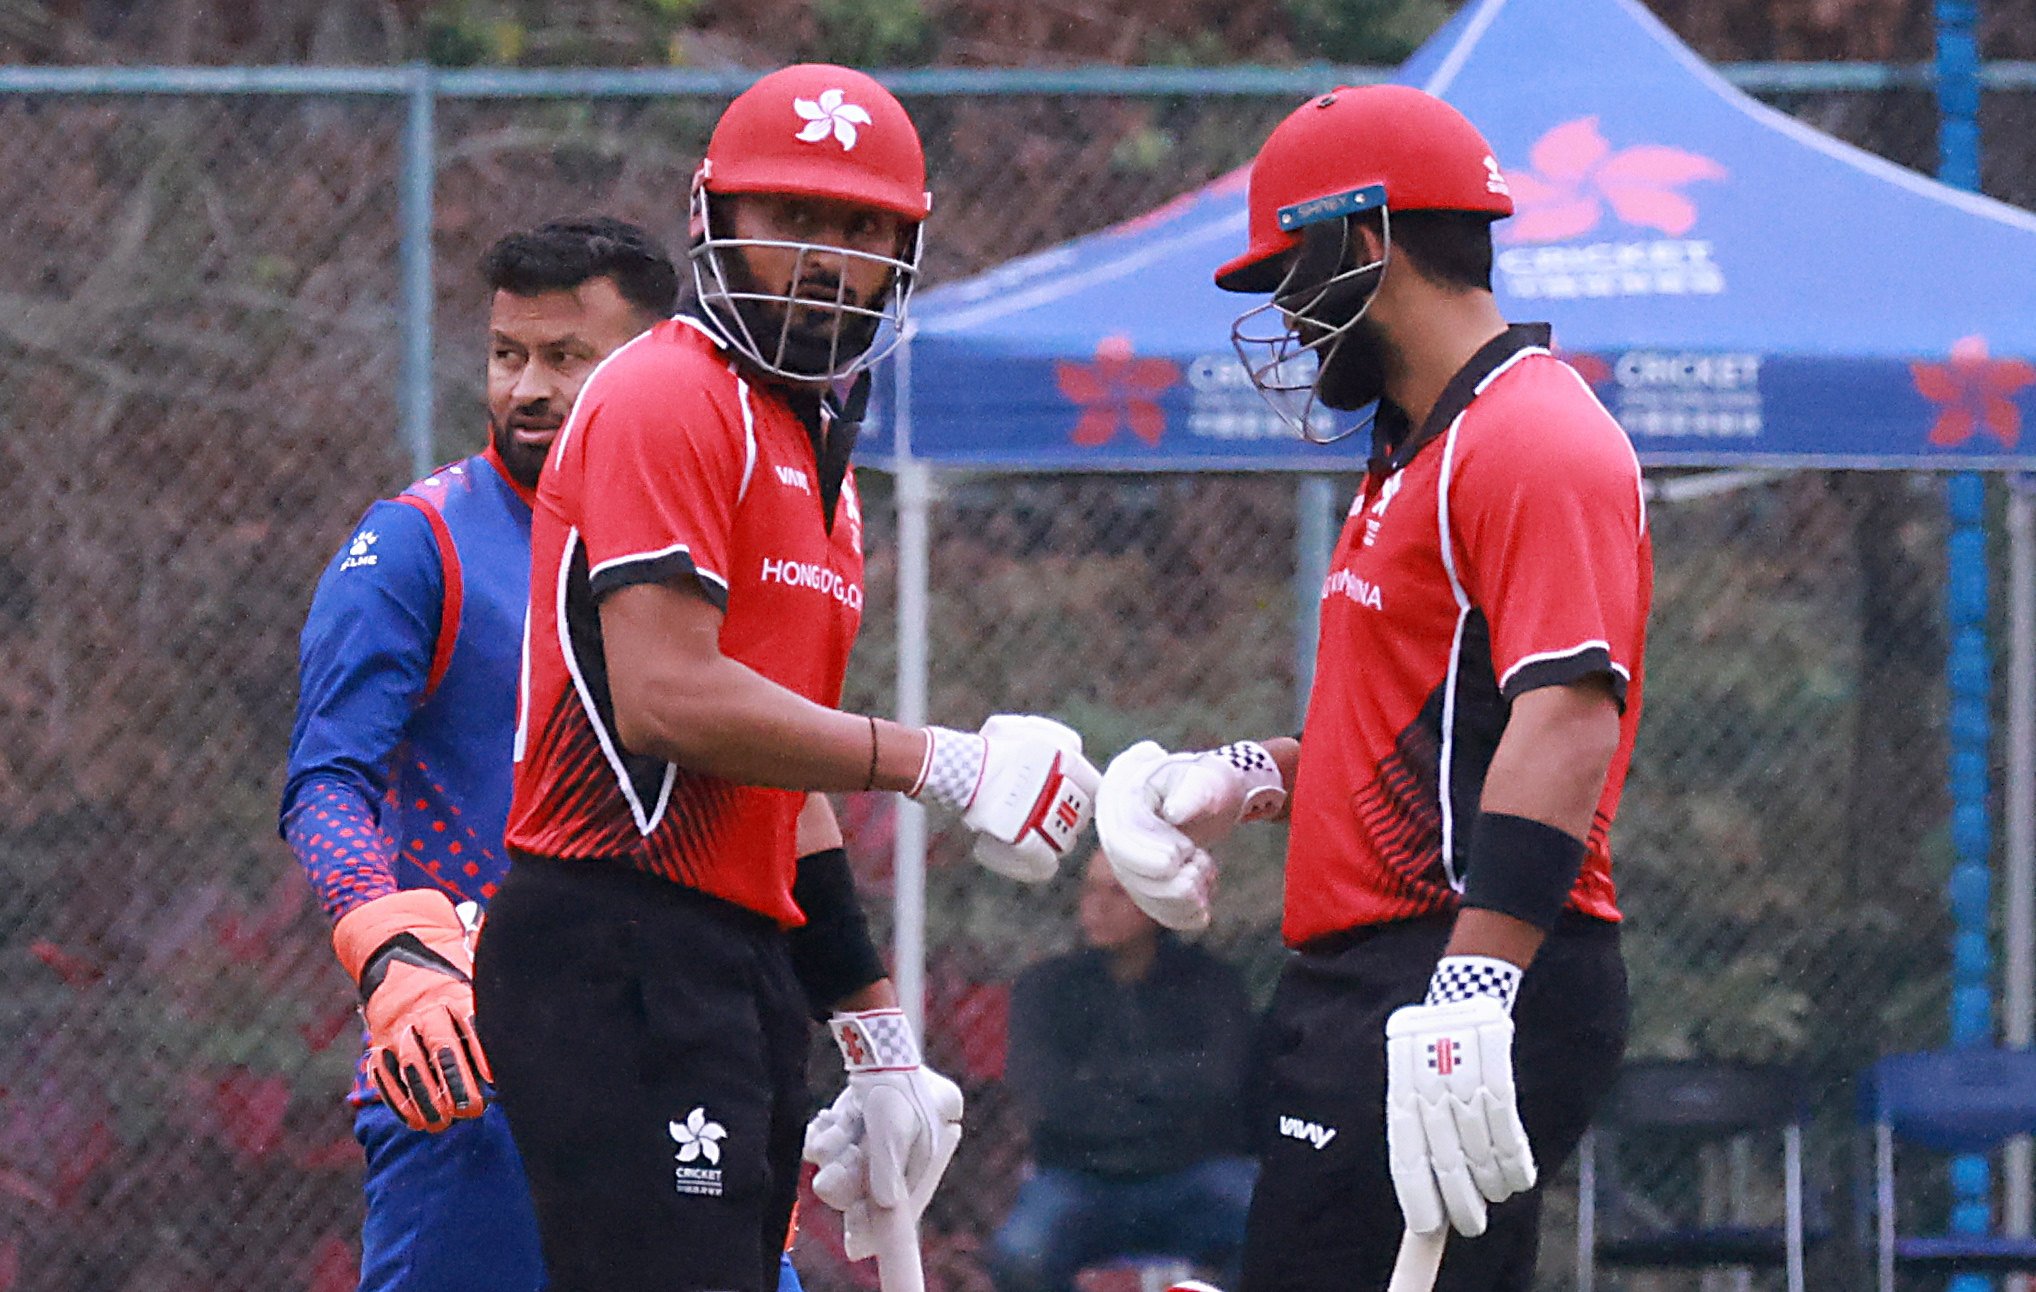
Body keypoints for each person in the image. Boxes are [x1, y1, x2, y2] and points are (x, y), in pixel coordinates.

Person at [472, 63, 1102, 1292]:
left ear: (903, 250)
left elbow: (777, 766)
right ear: (713, 221)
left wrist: (867, 1022)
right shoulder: (666, 390)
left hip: (726, 950)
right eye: (791, 218)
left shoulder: (810, 441)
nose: (824, 257)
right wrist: (940, 759)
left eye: (859, 228)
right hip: (615, 936)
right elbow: (670, 699)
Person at [1095, 85, 1650, 1292]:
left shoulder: (1531, 435)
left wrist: (1476, 981)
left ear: (1360, 241)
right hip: (1383, 976)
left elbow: (1566, 715)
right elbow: (1425, 738)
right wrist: (1237, 775)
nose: (1288, 314)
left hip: (1452, 963)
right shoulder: (1416, 446)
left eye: (1289, 273)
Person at [280, 217, 680, 1291]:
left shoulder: (705, 551)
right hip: (475, 1075)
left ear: (654, 364)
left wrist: (849, 1022)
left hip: (684, 1074)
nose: (527, 388)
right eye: (509, 355)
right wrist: (397, 959)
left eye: (565, 357)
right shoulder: (419, 542)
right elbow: (325, 783)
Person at [989, 849, 1256, 1292]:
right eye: (1090, 889)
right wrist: (1160, 1097)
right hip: (1081, 1179)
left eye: (1117, 892)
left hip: (1192, 1174)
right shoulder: (1047, 989)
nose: (1098, 905)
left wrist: (1101, 1090)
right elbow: (1047, 1101)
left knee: (1275, 1232)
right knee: (1021, 1254)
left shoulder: (1211, 985)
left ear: (1156, 901)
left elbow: (1220, 1085)